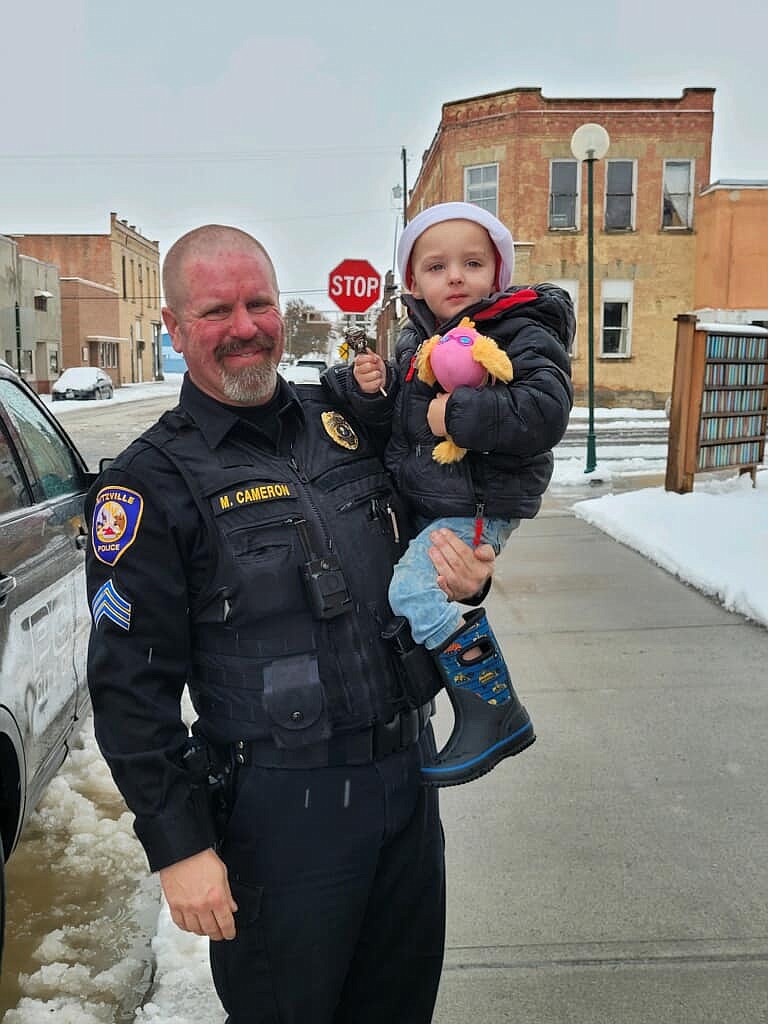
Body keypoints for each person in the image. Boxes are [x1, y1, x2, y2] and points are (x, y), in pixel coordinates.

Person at [85, 224, 497, 1024]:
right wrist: (179, 845)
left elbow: (422, 548)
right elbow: (129, 688)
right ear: (173, 328)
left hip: (406, 789)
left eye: (259, 303)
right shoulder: (148, 485)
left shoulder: (345, 421)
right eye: (215, 311)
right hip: (281, 818)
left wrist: (467, 575)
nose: (245, 327)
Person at [350, 202, 574, 785]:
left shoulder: (521, 329)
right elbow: (398, 433)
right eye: (436, 265)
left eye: (472, 262)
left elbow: (546, 412)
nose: (455, 276)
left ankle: (493, 709)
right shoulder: (416, 342)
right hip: (443, 504)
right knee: (412, 592)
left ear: (496, 274)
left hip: (480, 505)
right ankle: (483, 711)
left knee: (411, 592)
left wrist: (457, 413)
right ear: (413, 281)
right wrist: (373, 396)